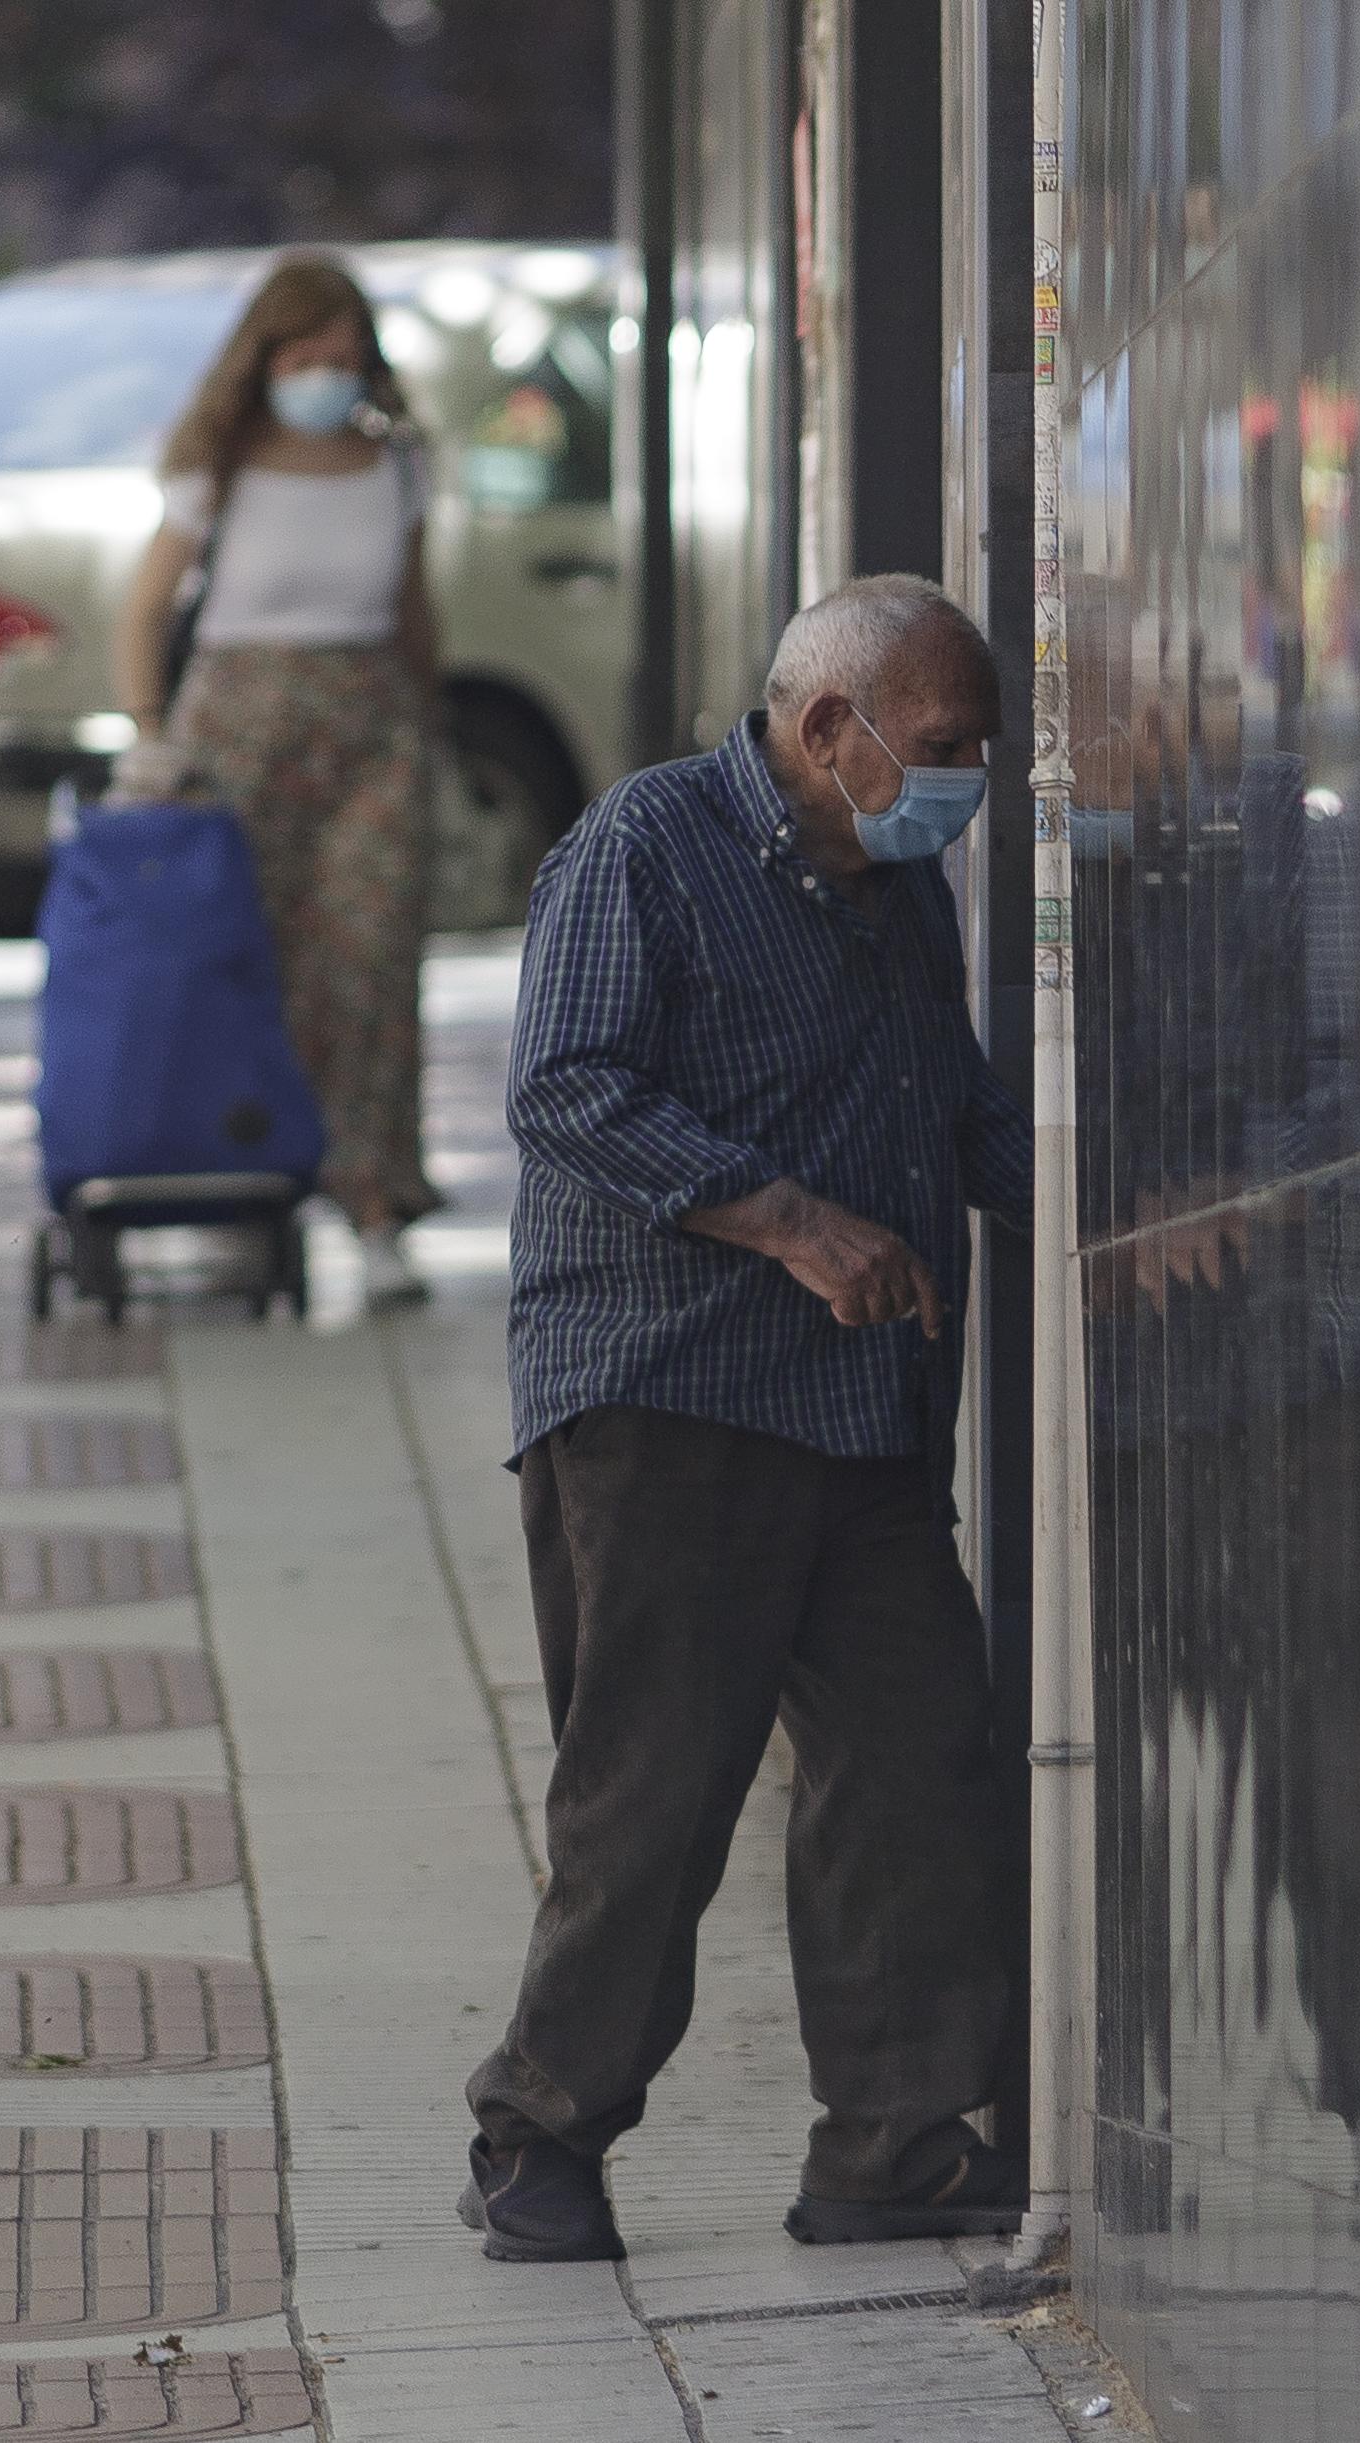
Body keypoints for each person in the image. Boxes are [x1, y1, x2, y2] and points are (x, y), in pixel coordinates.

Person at [460, 574, 1033, 2262]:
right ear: (828, 727)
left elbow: (966, 1109)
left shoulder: (905, 887)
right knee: (652, 1791)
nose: (966, 776)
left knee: (915, 1761)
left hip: (863, 1412)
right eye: (942, 744)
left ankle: (894, 2137)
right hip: (669, 1396)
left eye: (980, 746)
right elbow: (563, 1086)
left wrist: (1125, 1211)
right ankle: (538, 2134)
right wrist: (787, 1219)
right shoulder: (645, 847)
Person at [116, 251, 443, 1311]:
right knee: (242, 960)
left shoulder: (398, 466)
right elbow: (144, 608)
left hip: (369, 723)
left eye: (343, 356)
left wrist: (424, 719)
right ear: (263, 358)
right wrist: (150, 736)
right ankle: (239, 1195)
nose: (326, 374)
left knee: (372, 959)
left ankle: (377, 1202)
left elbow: (413, 610)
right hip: (239, 728)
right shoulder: (218, 463)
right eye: (305, 355)